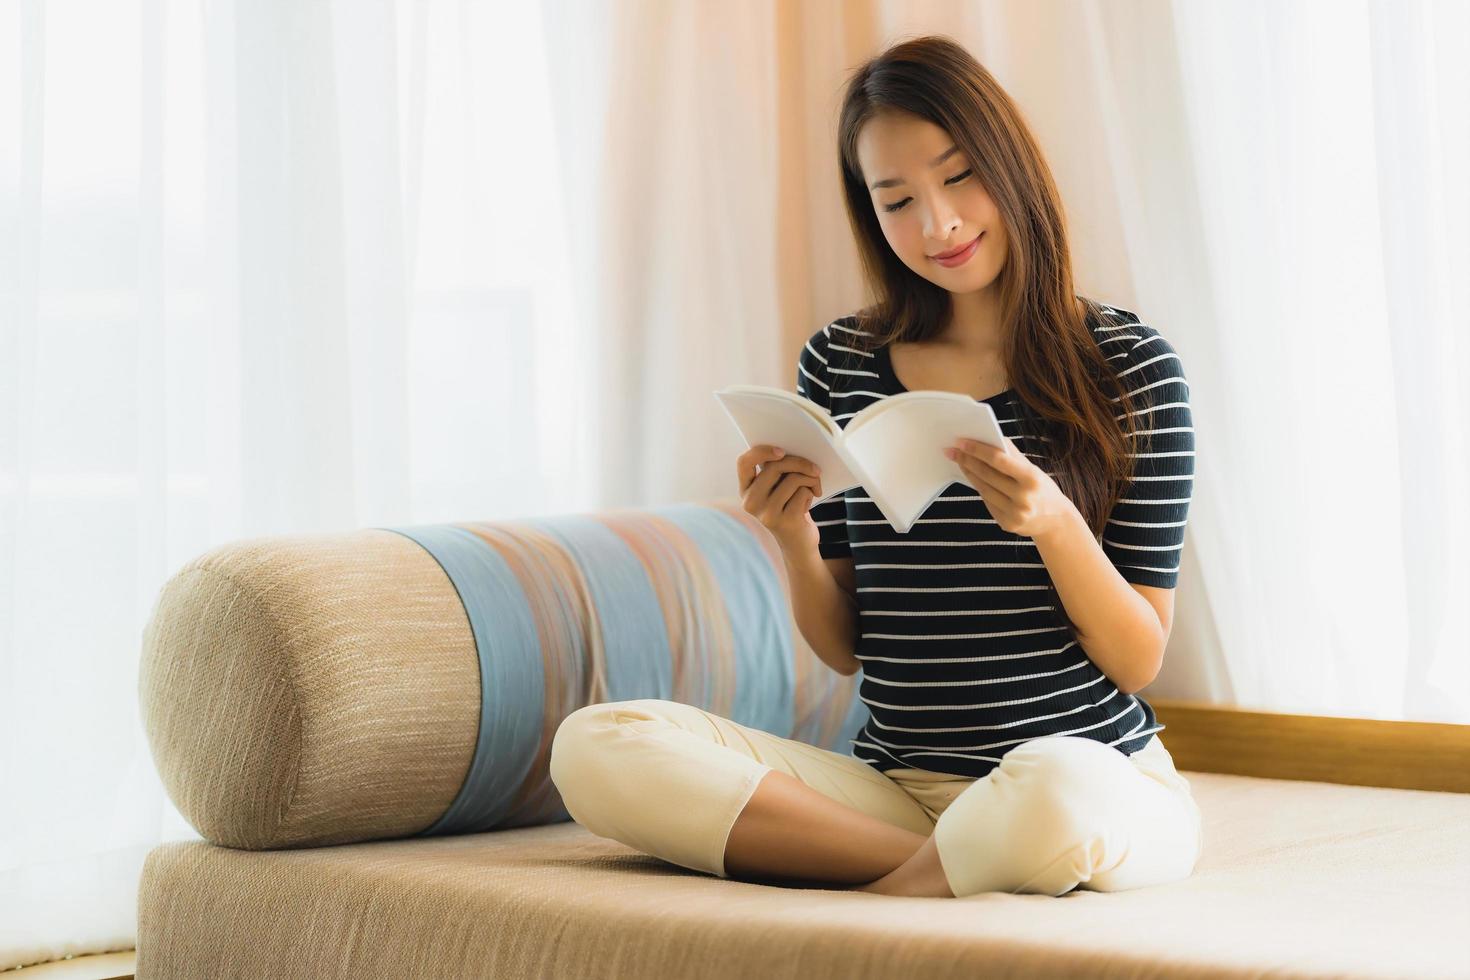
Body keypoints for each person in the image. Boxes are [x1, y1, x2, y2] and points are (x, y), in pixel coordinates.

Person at [549, 34, 1201, 899]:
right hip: (900, 791)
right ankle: (929, 873)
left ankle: (900, 882)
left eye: (959, 177)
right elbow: (848, 649)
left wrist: (1053, 524)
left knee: (1056, 792)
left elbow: (1138, 658)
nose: (939, 224)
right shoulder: (841, 364)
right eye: (897, 201)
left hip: (1093, 773)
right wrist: (789, 536)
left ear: (1011, 167)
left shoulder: (1130, 368)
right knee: (598, 745)